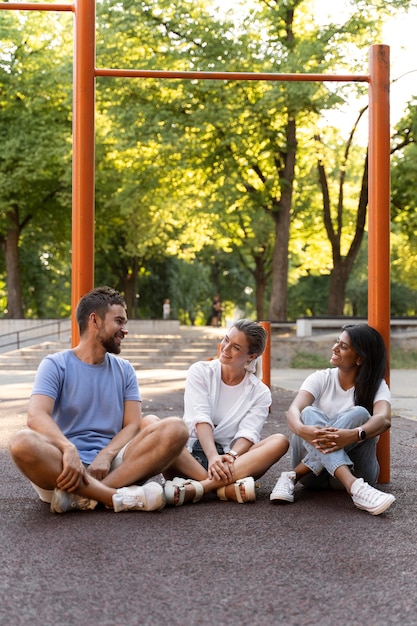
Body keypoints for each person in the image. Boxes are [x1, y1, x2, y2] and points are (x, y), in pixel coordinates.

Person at [9, 286, 189, 514]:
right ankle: (115, 497)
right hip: (62, 467)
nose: (125, 330)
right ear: (94, 320)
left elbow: (132, 424)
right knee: (21, 442)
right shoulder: (55, 364)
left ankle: (86, 496)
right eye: (119, 322)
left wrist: (106, 454)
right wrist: (68, 448)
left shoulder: (125, 369)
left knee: (176, 428)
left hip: (113, 466)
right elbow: (36, 415)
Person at [269, 324, 396, 515]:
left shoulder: (376, 385)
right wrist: (303, 430)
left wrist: (354, 435)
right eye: (337, 342)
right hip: (313, 479)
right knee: (308, 413)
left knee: (360, 414)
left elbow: (384, 419)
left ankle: (292, 476)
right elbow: (293, 411)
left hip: (358, 470)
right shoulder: (320, 378)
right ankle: (355, 488)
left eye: (343, 346)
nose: (335, 348)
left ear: (360, 358)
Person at [160, 319, 289, 505]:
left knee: (280, 441)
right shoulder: (200, 371)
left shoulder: (260, 392)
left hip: (231, 463)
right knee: (158, 427)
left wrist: (231, 456)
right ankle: (222, 488)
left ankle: (200, 488)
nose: (225, 348)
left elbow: (248, 432)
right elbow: (200, 417)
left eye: (235, 347)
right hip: (187, 457)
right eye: (226, 340)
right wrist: (213, 457)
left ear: (251, 356)